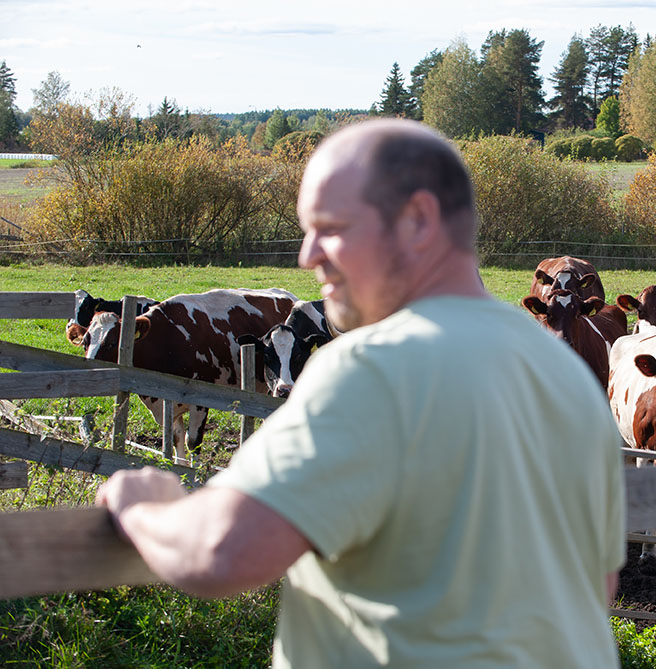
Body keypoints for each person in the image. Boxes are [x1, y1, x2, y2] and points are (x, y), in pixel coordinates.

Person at [96, 118, 626, 667]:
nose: (308, 255)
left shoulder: (373, 367)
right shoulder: (568, 373)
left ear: (418, 219)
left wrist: (141, 509)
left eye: (330, 226)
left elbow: (223, 552)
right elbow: (598, 585)